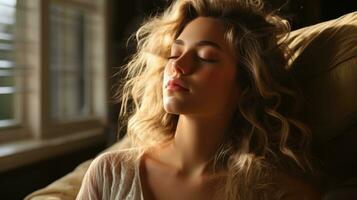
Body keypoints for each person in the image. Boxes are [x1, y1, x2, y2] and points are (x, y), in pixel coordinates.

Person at [76, 0, 321, 199]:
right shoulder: (110, 174)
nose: (178, 66)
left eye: (205, 57)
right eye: (175, 53)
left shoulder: (275, 191)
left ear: (246, 85)